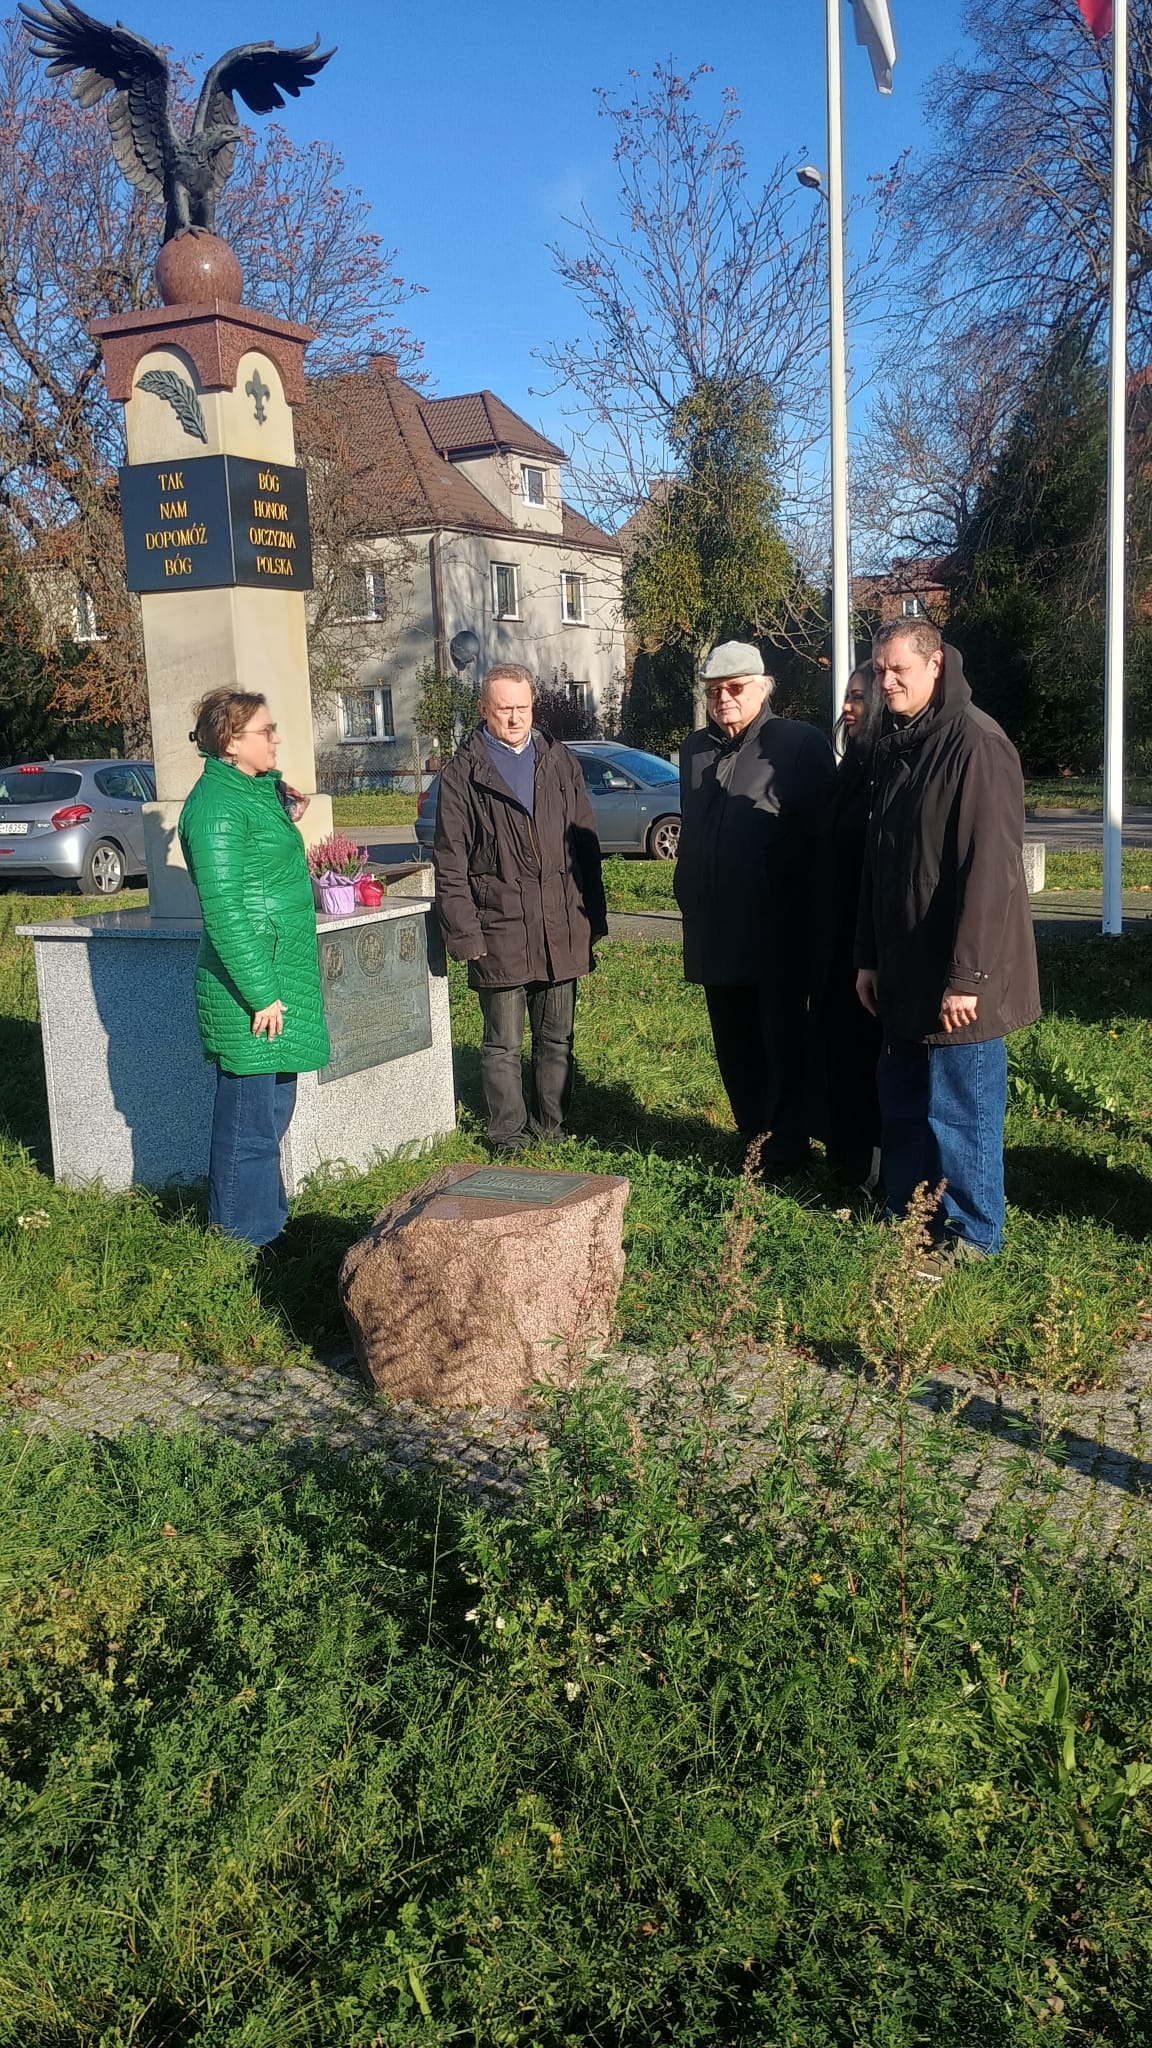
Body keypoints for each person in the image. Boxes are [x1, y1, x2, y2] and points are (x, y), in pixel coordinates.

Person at [855, 620, 1040, 1273]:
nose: (886, 682)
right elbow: (878, 865)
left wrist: (969, 977)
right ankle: (910, 1215)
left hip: (962, 974)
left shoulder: (977, 744)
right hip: (902, 965)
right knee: (904, 1101)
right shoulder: (896, 743)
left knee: (963, 1109)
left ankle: (974, 1234)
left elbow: (990, 872)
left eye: (898, 669)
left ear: (935, 665)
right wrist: (868, 956)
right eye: (879, 670)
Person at [674, 640, 835, 1172]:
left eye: (735, 688)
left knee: (781, 1043)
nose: (724, 698)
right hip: (714, 927)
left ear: (762, 687)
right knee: (734, 1043)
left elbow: (823, 838)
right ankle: (753, 1138)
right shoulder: (695, 749)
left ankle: (788, 1148)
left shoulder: (796, 743)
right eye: (713, 690)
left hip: (775, 930)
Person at [433, 662, 607, 1153]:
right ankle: (508, 1134)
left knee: (556, 1038)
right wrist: (464, 933)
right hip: (499, 927)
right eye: (504, 709)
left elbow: (585, 843)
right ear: (484, 709)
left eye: (523, 708)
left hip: (560, 924)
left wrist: (593, 917)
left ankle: (552, 1127)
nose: (514, 718)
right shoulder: (463, 774)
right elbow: (450, 859)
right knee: (502, 1044)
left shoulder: (559, 760)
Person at [178, 689, 330, 1248]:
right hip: (251, 986)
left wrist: (280, 800)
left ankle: (268, 1227)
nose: (276, 738)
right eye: (265, 731)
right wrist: (261, 993)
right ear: (230, 743)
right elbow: (224, 911)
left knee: (270, 1111)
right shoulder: (215, 809)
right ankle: (243, 1243)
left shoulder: (247, 791)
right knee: (248, 1122)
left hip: (276, 973)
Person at [813, 662, 884, 1185]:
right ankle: (844, 1156)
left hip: (869, 940)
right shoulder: (850, 769)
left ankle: (872, 1164)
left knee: (865, 1053)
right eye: (847, 696)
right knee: (835, 1048)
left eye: (858, 697)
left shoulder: (887, 772)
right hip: (833, 937)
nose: (846, 708)